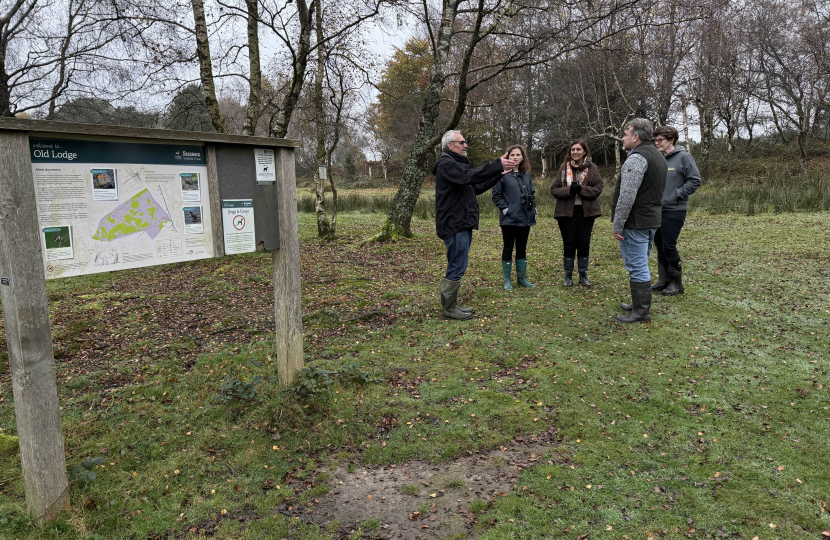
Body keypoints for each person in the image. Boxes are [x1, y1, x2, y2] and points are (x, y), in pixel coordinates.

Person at [434, 130, 518, 320]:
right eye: (462, 142)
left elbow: (476, 186)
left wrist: (499, 173)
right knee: (457, 265)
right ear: (450, 145)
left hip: (462, 223)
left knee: (459, 264)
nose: (465, 145)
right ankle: (448, 308)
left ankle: (452, 305)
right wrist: (497, 164)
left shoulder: (455, 167)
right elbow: (470, 177)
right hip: (454, 225)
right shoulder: (446, 164)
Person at [611, 118, 667, 323]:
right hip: (651, 220)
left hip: (636, 222)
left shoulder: (636, 158)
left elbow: (627, 195)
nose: (622, 138)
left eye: (625, 134)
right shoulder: (657, 155)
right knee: (640, 262)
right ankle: (638, 304)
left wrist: (618, 224)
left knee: (637, 265)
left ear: (635, 137)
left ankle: (640, 312)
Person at [648, 126, 701, 296]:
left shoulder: (683, 157)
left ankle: (676, 284)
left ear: (671, 140)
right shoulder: (657, 158)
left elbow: (694, 180)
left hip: (675, 209)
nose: (657, 143)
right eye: (655, 140)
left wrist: (677, 193)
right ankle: (663, 281)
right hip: (657, 209)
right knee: (660, 245)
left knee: (669, 245)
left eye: (660, 140)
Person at [550, 140, 604, 288]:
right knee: (569, 244)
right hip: (566, 212)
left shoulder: (592, 168)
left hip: (586, 212)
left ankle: (583, 276)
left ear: (584, 151)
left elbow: (598, 188)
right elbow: (554, 190)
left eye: (578, 150)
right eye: (573, 150)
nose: (575, 152)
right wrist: (569, 190)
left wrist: (581, 189)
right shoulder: (564, 168)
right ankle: (568, 276)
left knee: (584, 244)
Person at [492, 144, 537, 290]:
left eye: (518, 155)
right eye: (512, 155)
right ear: (508, 157)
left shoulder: (526, 174)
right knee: (508, 248)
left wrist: (533, 208)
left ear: (522, 157)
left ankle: (521, 279)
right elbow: (496, 195)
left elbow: (532, 192)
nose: (515, 157)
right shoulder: (502, 174)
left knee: (522, 248)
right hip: (509, 219)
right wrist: (506, 209)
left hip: (525, 218)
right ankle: (507, 281)